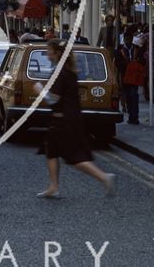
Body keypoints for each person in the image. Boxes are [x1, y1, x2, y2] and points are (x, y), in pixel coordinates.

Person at [34, 40, 116, 199]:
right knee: (51, 150)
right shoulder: (66, 70)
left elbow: (53, 99)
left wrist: (39, 90)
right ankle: (53, 187)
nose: (47, 53)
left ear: (57, 53)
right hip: (64, 119)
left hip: (64, 121)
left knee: (73, 157)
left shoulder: (61, 72)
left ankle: (104, 177)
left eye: (49, 50)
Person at [116, 32, 146, 125]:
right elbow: (117, 63)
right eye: (127, 39)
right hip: (125, 76)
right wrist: (127, 64)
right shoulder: (119, 50)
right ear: (124, 39)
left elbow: (143, 61)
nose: (128, 41)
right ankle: (131, 116)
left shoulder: (136, 49)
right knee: (128, 97)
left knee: (134, 95)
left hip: (134, 77)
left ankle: (135, 117)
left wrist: (136, 63)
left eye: (130, 39)